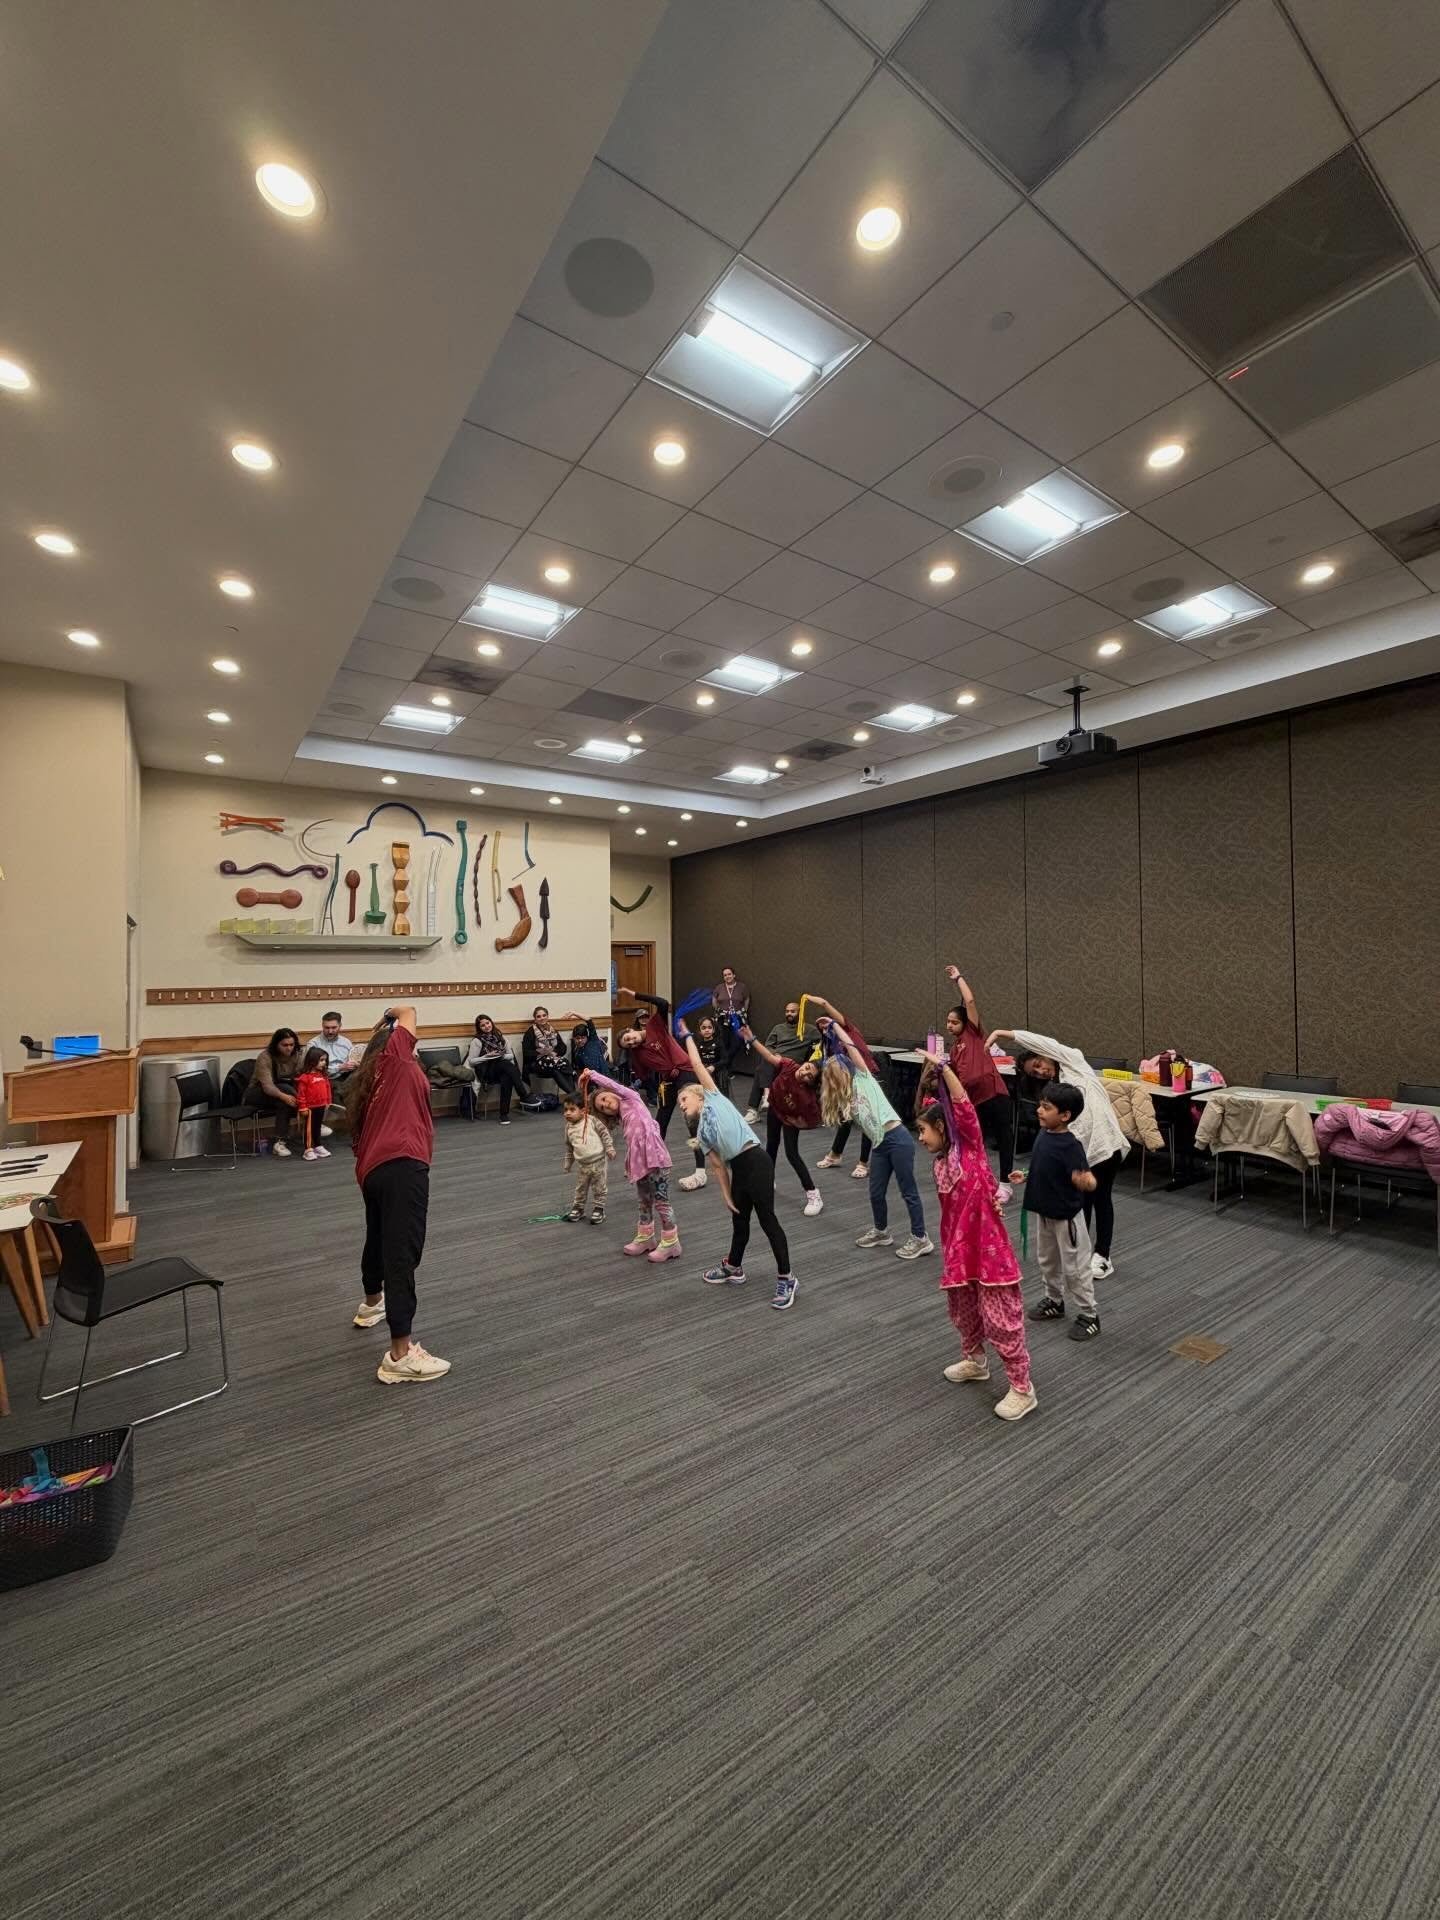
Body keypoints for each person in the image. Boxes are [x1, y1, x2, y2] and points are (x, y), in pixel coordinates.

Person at [916, 1050, 1035, 1420]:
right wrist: (929, 1075)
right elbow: (931, 1101)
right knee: (964, 1312)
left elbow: (963, 1107)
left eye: (923, 1130)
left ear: (943, 1128)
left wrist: (947, 1069)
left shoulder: (969, 1151)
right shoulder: (941, 1164)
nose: (920, 1138)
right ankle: (976, 1360)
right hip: (958, 1252)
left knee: (1000, 1319)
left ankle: (1022, 1387)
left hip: (989, 1253)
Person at [343, 1006, 450, 1383]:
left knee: (379, 1238)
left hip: (375, 1168)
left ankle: (372, 1304)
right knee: (402, 1253)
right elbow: (409, 1009)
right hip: (403, 1163)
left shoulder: (373, 1078)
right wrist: (389, 1016)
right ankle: (400, 1355)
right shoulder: (396, 1060)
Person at [985, 1022, 1130, 1280]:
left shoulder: (1074, 1063)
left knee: (1101, 1200)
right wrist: (1030, 1172)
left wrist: (1004, 1034)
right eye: (1035, 1072)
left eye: (1039, 1064)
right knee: (1081, 1204)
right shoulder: (1056, 1090)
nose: (1041, 1071)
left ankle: (1103, 1256)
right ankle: (1081, 1253)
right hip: (1080, 1154)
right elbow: (1055, 1138)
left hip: (1106, 1146)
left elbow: (1045, 1042)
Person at [677, 1025, 797, 1310]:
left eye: (684, 1099)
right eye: (680, 1103)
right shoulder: (702, 1135)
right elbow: (718, 1167)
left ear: (699, 1094)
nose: (681, 1105)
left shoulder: (714, 1097)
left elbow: (695, 1063)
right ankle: (734, 1266)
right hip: (739, 1170)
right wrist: (727, 1196)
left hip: (756, 1161)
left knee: (768, 1221)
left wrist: (687, 1034)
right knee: (739, 1221)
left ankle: (787, 1277)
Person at [818, 1011, 933, 1259]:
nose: (834, 1072)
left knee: (908, 1190)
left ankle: (921, 1238)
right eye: (831, 1072)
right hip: (881, 1145)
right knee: (875, 1191)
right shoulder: (844, 1098)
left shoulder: (864, 1078)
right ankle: (882, 1231)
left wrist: (836, 1026)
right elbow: (828, 1061)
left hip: (898, 1139)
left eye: (837, 1068)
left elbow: (851, 1046)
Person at [1021, 1081, 1100, 1339]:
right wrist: (1025, 1175)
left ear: (1065, 1116)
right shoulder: (1044, 1135)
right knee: (1047, 1261)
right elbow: (1045, 1167)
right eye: (1041, 1106)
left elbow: (1089, 1179)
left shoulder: (1070, 1145)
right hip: (1044, 1212)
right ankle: (1054, 1301)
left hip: (1067, 1219)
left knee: (1075, 1268)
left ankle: (1089, 1314)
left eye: (1046, 1108)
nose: (1040, 1111)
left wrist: (1085, 1181)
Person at [581, 1062, 681, 1263]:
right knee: (644, 1201)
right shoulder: (623, 1117)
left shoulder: (631, 1098)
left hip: (656, 1159)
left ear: (612, 1093)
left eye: (605, 1099)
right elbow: (587, 1107)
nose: (606, 1105)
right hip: (640, 1162)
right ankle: (646, 1237)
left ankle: (671, 1242)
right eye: (602, 1107)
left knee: (661, 1201)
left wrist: (591, 1075)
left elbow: (613, 1085)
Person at [942, 965, 1022, 1184]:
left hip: (995, 1094)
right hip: (975, 1100)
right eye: (948, 1021)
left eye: (954, 1022)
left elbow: (969, 1001)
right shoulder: (954, 1048)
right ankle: (981, 1179)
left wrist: (958, 978)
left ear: (966, 1023)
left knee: (1004, 1138)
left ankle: (1005, 1183)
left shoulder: (973, 1033)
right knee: (976, 1141)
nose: (950, 1025)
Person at [741, 1024, 823, 1216]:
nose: (805, 1073)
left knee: (792, 1154)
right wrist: (751, 1038)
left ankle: (813, 1194)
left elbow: (814, 1121)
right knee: (771, 1146)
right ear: (806, 1063)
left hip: (789, 1119)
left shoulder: (807, 1097)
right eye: (808, 1068)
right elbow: (769, 1056)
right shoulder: (789, 1065)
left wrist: (796, 1122)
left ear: (811, 1082)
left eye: (810, 1076)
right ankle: (769, 1180)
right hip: (775, 1109)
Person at [807, 995, 877, 1181]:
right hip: (848, 1083)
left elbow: (825, 1005)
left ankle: (863, 1163)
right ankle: (835, 1155)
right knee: (845, 1118)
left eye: (827, 1025)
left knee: (866, 1120)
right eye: (821, 1028)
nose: (825, 1029)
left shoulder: (848, 1030)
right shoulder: (829, 1044)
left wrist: (815, 1001)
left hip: (866, 1079)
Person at [429, 1013, 539, 1123]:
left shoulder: (501, 1037)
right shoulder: (477, 1041)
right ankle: (523, 1096)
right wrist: (486, 1057)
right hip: (486, 1071)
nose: (486, 1026)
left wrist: (500, 1055)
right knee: (507, 1066)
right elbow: (472, 1061)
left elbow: (510, 1055)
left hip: (501, 1068)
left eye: (487, 1023)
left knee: (507, 1074)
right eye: (483, 1025)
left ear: (491, 1022)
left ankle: (504, 1115)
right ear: (479, 1028)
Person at [614, 989, 693, 1140]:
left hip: (686, 1071)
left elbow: (663, 1003)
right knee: (661, 1119)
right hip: (668, 1080)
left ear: (631, 1030)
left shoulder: (655, 1026)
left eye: (629, 1038)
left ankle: (700, 1160)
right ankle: (657, 1153)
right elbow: (642, 1077)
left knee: (691, 1112)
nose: (632, 1042)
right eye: (628, 1044)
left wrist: (636, 994)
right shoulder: (637, 1055)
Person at [243, 1027, 302, 1157]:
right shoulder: (265, 1057)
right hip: (257, 1093)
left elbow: (302, 1077)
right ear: (276, 1045)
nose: (289, 1048)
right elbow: (268, 1086)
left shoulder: (297, 1055)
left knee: (285, 1102)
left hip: (284, 1093)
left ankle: (279, 1142)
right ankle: (311, 1121)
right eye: (284, 1045)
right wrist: (285, 1096)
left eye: (291, 1045)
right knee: (285, 1092)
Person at [562, 1096, 614, 1223]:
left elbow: (604, 1133)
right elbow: (569, 1147)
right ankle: (578, 1208)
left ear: (583, 1111)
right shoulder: (568, 1128)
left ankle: (599, 1208)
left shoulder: (591, 1121)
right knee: (581, 1187)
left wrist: (609, 1148)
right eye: (566, 1110)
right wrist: (568, 1163)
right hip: (583, 1164)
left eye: (572, 1109)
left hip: (599, 1161)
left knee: (599, 1187)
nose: (567, 1113)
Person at [523, 1006, 578, 1097]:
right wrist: (544, 1052)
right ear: (535, 1019)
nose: (542, 1018)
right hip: (536, 1063)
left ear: (547, 1016)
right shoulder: (530, 1032)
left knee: (557, 1069)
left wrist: (555, 1053)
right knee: (563, 1063)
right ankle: (575, 1093)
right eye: (539, 1016)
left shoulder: (552, 1030)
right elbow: (527, 1053)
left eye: (544, 1015)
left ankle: (573, 1095)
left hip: (553, 1062)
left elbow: (563, 1047)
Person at [295, 1047, 335, 1161]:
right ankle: (308, 1149)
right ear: (312, 1060)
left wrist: (328, 1101)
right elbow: (301, 1094)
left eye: (325, 1060)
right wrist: (302, 1107)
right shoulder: (305, 1078)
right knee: (308, 1129)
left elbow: (327, 1089)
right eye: (321, 1060)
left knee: (317, 1127)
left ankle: (318, 1145)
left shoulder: (323, 1076)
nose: (324, 1063)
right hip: (310, 1108)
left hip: (321, 1106)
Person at [308, 1010, 355, 1082]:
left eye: (334, 1028)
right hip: (325, 1079)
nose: (330, 1031)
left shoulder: (346, 1042)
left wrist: (355, 1064)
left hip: (348, 1076)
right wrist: (339, 1068)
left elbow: (352, 1061)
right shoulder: (314, 1044)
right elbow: (312, 1069)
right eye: (327, 1028)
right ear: (322, 1026)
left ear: (340, 1026)